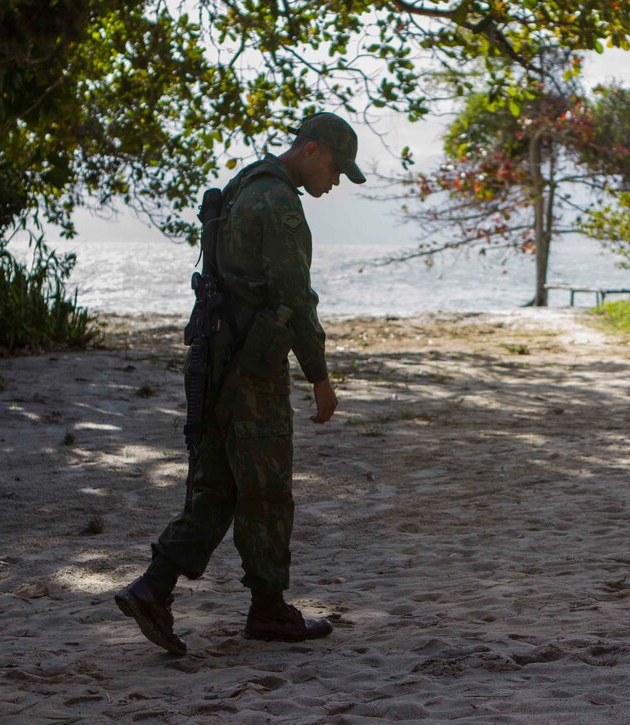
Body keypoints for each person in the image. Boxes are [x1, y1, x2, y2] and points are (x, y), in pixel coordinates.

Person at [115, 112, 366, 655]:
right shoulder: (278, 202)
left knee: (217, 486)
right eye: (337, 168)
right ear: (313, 151)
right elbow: (295, 299)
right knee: (267, 490)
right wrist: (320, 377)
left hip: (214, 360)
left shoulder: (242, 186)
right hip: (251, 369)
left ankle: (153, 587)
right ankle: (269, 610)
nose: (336, 182)